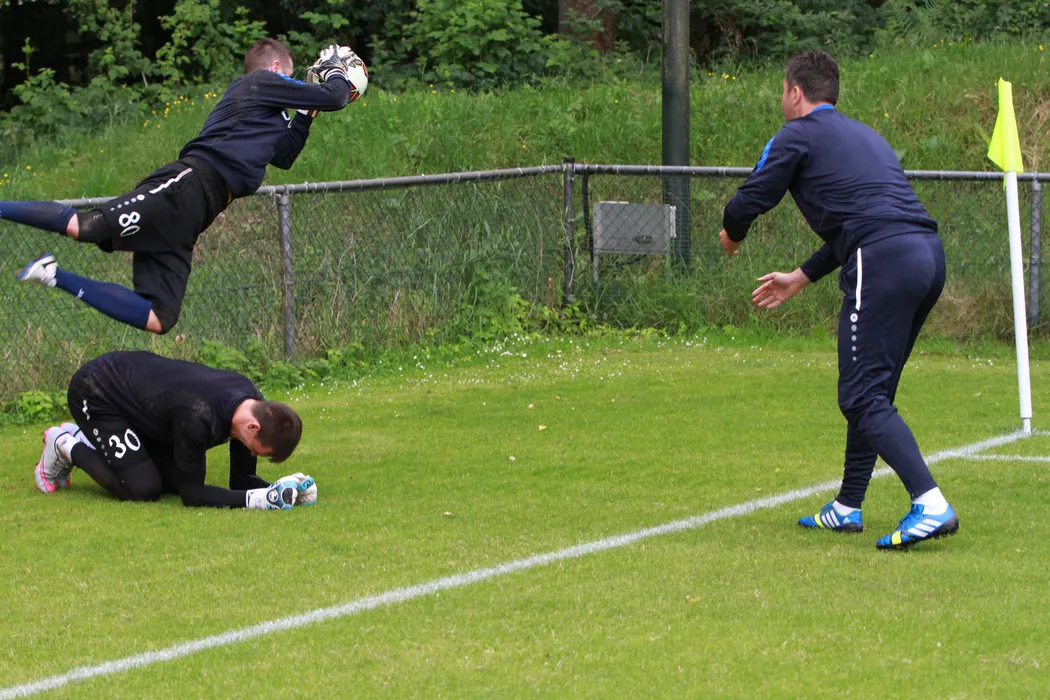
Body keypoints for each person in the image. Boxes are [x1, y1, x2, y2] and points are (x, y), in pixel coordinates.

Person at [718, 50, 957, 550]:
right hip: (926, 256)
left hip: (884, 260)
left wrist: (731, 234)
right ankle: (848, 506)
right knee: (875, 393)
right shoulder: (865, 136)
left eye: (782, 91)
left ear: (795, 92)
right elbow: (862, 222)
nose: (782, 100)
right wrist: (801, 277)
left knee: (862, 397)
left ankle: (930, 503)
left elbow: (752, 196)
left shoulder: (796, 134)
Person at [2, 39, 366, 334]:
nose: (292, 85)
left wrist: (304, 114)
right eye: (289, 76)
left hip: (199, 210)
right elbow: (334, 96)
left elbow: (284, 156)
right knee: (86, 227)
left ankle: (53, 274)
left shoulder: (267, 115)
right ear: (274, 70)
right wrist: (336, 71)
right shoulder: (257, 83)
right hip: (189, 183)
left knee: (160, 317)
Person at [33, 350, 316, 510]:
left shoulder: (251, 403)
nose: (250, 453)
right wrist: (259, 502)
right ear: (254, 426)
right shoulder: (197, 416)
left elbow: (240, 481)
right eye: (255, 449)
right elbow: (192, 495)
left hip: (144, 399)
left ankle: (91, 438)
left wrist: (281, 490)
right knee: (142, 488)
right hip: (97, 390)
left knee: (170, 481)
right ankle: (66, 443)